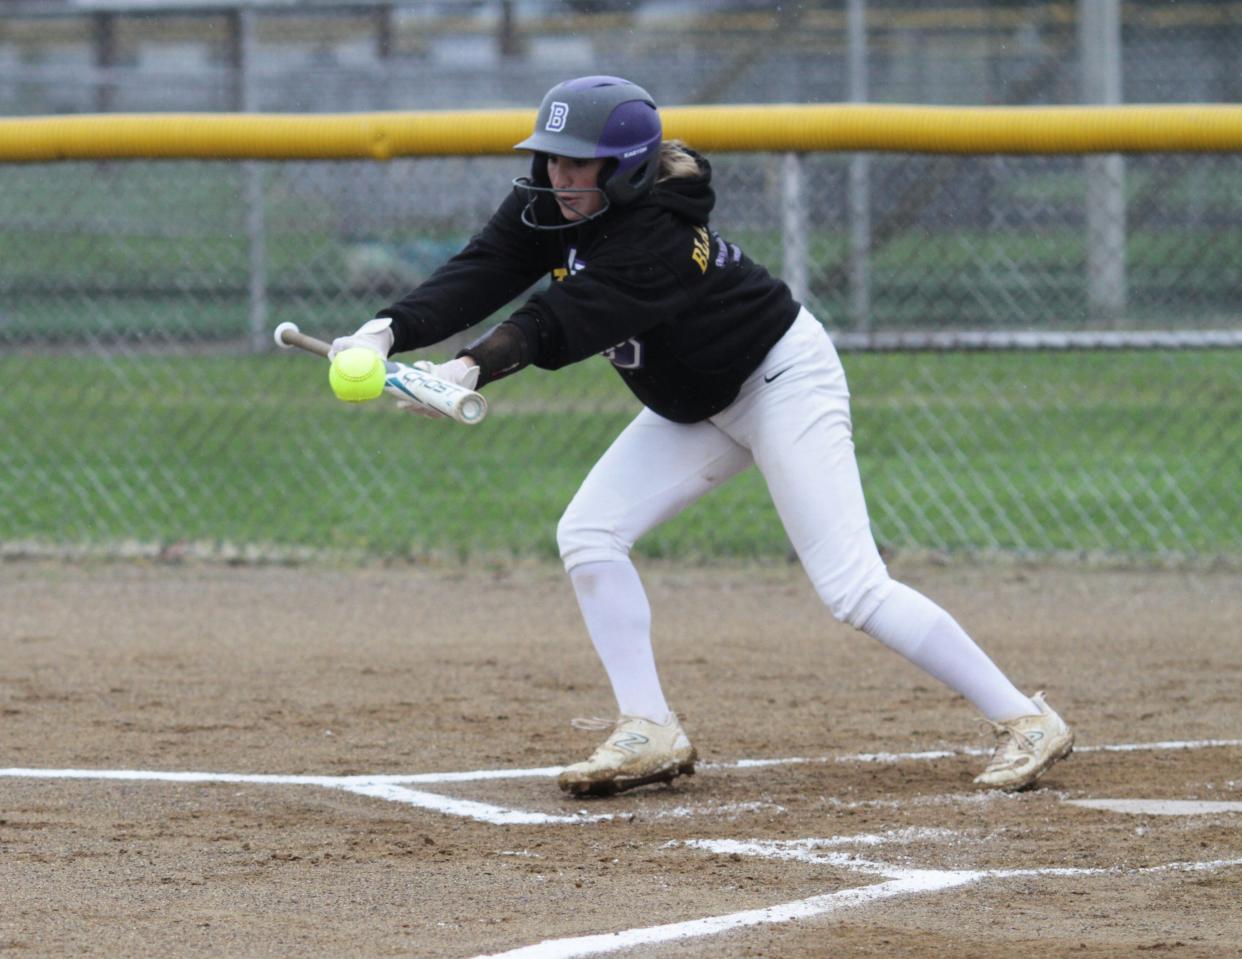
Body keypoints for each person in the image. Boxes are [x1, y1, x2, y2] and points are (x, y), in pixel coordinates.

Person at [329, 76, 1074, 798]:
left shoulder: (660, 232)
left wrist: (467, 369)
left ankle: (1026, 718)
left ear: (624, 169)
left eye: (577, 159)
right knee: (590, 533)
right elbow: (484, 268)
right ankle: (650, 727)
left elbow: (563, 318)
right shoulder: (547, 204)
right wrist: (385, 329)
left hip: (780, 382)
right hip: (696, 403)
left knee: (852, 587)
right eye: (551, 156)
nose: (558, 173)